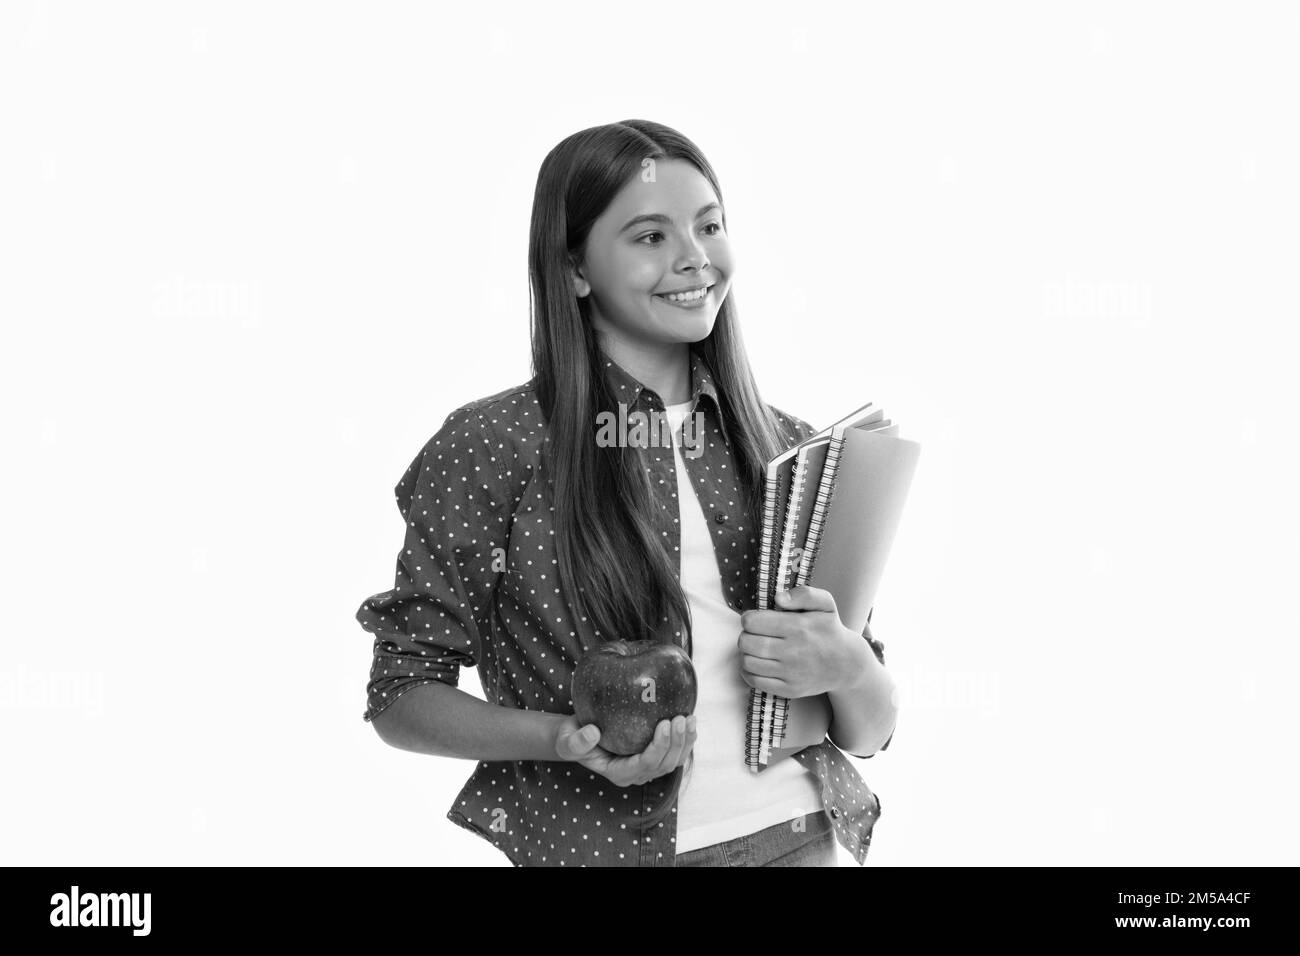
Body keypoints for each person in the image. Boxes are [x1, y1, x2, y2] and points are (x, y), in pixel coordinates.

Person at [356, 119, 898, 867]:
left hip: (799, 840)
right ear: (575, 268)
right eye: (650, 237)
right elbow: (402, 694)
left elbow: (870, 730)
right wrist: (564, 740)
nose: (694, 258)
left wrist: (849, 668)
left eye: (709, 225)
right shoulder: (494, 445)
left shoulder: (789, 449)